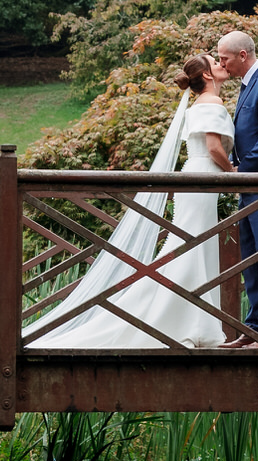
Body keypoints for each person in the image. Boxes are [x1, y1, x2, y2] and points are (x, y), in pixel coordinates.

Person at [24, 54, 235, 348]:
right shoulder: (212, 104)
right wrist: (234, 171)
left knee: (190, 247)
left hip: (196, 181)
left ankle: (192, 321)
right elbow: (213, 147)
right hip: (202, 181)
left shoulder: (198, 104)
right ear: (208, 76)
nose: (222, 66)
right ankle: (186, 322)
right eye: (216, 63)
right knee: (192, 248)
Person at [213, 30, 258, 347]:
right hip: (250, 185)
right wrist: (233, 162)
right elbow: (246, 134)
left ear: (242, 56)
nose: (221, 64)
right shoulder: (248, 85)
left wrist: (243, 169)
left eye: (224, 58)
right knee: (250, 260)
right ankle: (253, 329)